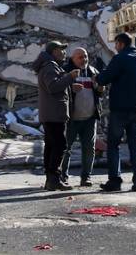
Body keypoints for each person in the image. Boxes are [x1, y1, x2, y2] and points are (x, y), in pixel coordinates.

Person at [95, 32, 136, 192]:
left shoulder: (120, 58)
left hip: (120, 109)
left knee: (113, 144)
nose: (114, 47)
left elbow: (104, 78)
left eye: (116, 44)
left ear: (121, 44)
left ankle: (115, 181)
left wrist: (97, 78)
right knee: (135, 144)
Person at [31, 40, 80, 191]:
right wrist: (70, 77)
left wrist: (70, 85)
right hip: (54, 114)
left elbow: (55, 85)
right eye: (61, 50)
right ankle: (54, 178)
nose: (65, 53)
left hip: (52, 113)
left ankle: (50, 180)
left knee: (52, 146)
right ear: (54, 52)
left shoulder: (51, 66)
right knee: (60, 145)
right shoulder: (50, 67)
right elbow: (53, 87)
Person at [59, 47, 102, 187]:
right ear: (73, 59)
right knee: (65, 148)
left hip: (90, 117)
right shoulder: (66, 71)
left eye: (86, 56)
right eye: (80, 57)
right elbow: (57, 89)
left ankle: (86, 177)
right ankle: (62, 177)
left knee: (89, 148)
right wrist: (70, 89)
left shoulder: (93, 71)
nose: (84, 59)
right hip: (71, 118)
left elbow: (100, 92)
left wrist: (100, 86)